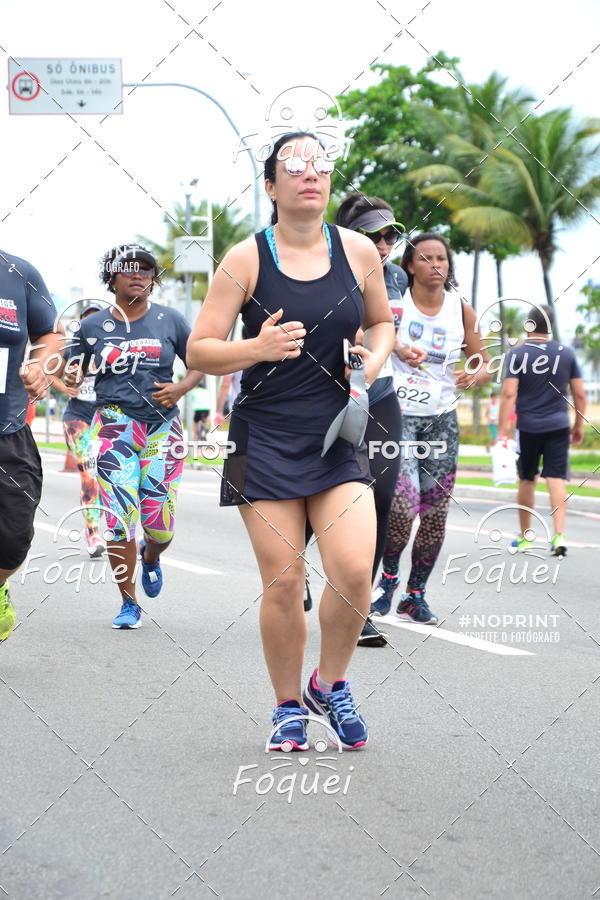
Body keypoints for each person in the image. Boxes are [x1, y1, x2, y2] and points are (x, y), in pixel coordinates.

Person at [187, 132, 395, 749]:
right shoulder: (245, 259)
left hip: (337, 435)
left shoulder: (359, 252)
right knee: (283, 582)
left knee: (356, 571)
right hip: (265, 436)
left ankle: (329, 684)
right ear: (272, 186)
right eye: (294, 167)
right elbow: (200, 347)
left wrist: (374, 360)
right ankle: (286, 708)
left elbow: (382, 321)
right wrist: (256, 348)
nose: (311, 174)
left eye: (320, 165)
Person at [304, 193, 426, 648]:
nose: (384, 242)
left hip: (378, 391)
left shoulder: (395, 275)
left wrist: (395, 348)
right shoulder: (320, 266)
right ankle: (293, 571)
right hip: (322, 392)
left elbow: (383, 325)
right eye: (374, 234)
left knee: (381, 497)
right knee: (308, 493)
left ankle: (356, 608)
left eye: (391, 234)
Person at [64, 244, 204, 628]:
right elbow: (70, 370)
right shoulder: (92, 327)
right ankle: (129, 603)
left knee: (160, 526)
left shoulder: (170, 321)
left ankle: (152, 557)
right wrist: (71, 376)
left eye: (145, 270)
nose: (139, 275)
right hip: (114, 426)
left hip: (163, 426)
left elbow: (198, 367)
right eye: (128, 269)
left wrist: (180, 389)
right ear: (111, 277)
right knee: (119, 519)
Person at [371, 232, 491, 625]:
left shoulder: (460, 308)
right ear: (410, 266)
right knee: (404, 506)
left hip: (442, 420)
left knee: (435, 511)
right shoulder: (396, 302)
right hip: (397, 415)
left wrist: (475, 374)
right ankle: (387, 580)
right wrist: (398, 349)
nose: (436, 265)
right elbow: (368, 335)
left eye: (442, 258)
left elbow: (483, 362)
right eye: (427, 258)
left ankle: (415, 594)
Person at [0, 249, 62, 641]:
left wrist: (41, 365)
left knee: (13, 538)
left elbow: (51, 333)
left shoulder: (18, 272)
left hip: (8, 430)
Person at [498, 304, 585, 557]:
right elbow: (579, 393)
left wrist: (504, 431)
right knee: (556, 479)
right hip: (559, 426)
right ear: (552, 326)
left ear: (529, 325)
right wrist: (578, 425)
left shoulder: (518, 354)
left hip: (528, 428)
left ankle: (525, 538)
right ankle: (559, 535)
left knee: (527, 479)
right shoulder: (566, 354)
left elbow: (508, 393)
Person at [53, 302, 106, 558]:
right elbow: (50, 373)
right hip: (78, 418)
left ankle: (121, 531)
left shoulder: (114, 351)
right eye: (86, 321)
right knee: (89, 475)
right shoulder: (73, 350)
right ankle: (93, 532)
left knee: (112, 479)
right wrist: (66, 387)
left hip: (107, 420)